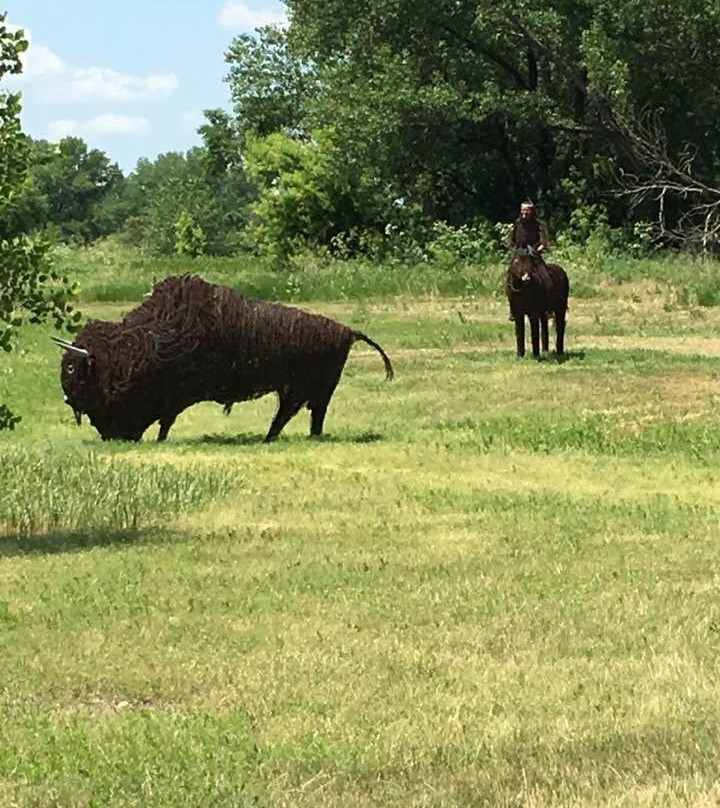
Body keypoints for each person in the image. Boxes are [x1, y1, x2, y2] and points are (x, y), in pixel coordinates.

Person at [507, 201, 551, 321]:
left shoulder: (538, 225)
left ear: (532, 211)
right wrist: (513, 246)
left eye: (527, 210)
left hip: (534, 254)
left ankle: (546, 308)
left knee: (545, 276)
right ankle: (513, 309)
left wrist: (541, 247)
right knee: (510, 276)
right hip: (520, 254)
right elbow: (512, 239)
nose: (524, 213)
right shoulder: (517, 223)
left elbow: (544, 240)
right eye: (523, 210)